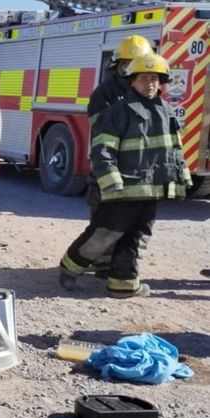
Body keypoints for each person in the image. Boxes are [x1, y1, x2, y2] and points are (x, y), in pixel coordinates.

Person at [59, 52, 193, 298]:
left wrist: (181, 178)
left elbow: (174, 149)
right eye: (144, 78)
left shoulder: (166, 111)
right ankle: (70, 268)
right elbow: (102, 152)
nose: (150, 84)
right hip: (124, 189)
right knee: (105, 232)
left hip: (151, 189)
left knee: (136, 237)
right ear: (132, 81)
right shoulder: (118, 112)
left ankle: (123, 284)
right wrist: (112, 184)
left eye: (154, 79)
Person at [85, 35, 154, 276]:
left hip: (139, 171)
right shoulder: (104, 93)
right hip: (109, 168)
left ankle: (125, 264)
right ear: (117, 65)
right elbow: (103, 132)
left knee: (136, 223)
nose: (130, 68)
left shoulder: (149, 92)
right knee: (105, 219)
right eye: (126, 63)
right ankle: (103, 264)